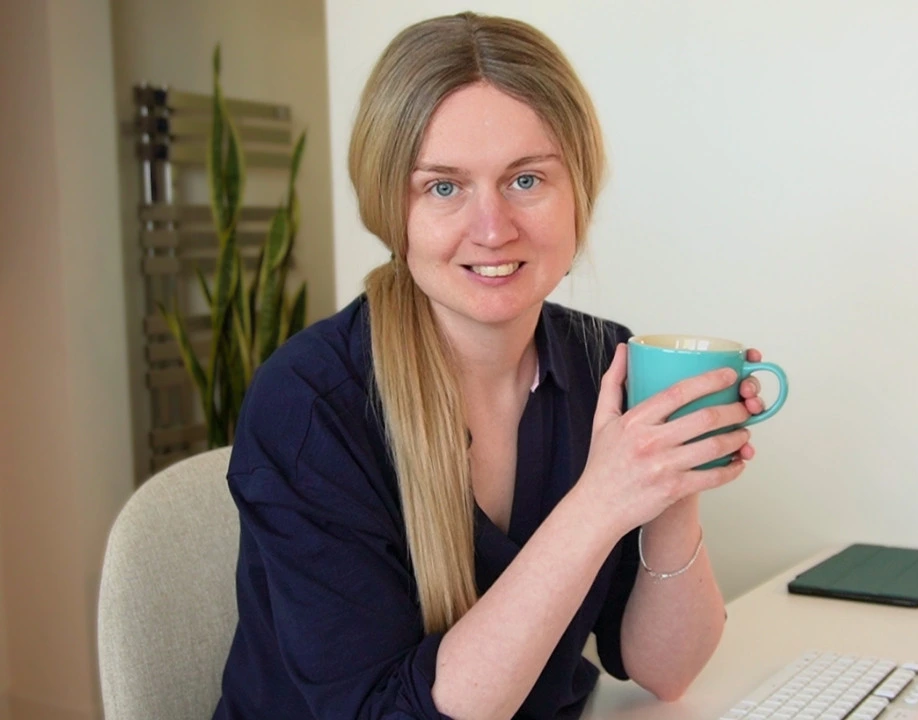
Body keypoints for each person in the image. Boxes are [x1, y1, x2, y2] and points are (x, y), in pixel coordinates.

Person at [213, 12, 770, 720]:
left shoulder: (602, 365)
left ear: (579, 194)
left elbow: (667, 670)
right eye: (443, 188)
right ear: (392, 207)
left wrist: (670, 477)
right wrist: (601, 502)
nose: (493, 228)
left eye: (526, 180)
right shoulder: (309, 405)